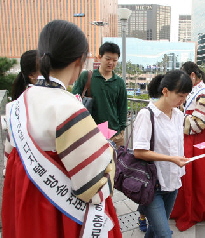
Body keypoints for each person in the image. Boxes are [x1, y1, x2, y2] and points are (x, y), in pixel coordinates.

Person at [2, 20, 121, 238]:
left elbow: (11, 161)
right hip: (58, 216)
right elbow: (93, 186)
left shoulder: (16, 105)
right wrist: (109, 150)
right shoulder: (69, 109)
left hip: (25, 207)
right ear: (79, 60)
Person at [133, 70, 192, 238]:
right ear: (165, 91)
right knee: (164, 234)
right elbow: (139, 151)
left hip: (172, 182)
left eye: (185, 96)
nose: (183, 100)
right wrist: (171, 159)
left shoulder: (179, 115)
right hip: (152, 185)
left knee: (155, 230)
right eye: (180, 96)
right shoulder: (147, 115)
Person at [170, 61, 205, 231]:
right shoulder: (197, 91)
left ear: (192, 76)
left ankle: (194, 210)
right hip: (192, 140)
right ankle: (188, 208)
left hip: (197, 142)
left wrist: (176, 118)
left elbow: (198, 124)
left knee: (196, 177)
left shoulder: (203, 93)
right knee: (190, 177)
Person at [72, 42, 127, 148]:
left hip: (114, 135)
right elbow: (74, 100)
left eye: (115, 60)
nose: (111, 63)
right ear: (99, 57)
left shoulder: (119, 82)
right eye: (108, 59)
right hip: (90, 133)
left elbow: (122, 108)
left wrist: (121, 130)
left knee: (115, 164)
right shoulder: (87, 76)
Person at [3, 50, 40, 176]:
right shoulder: (21, 105)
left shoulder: (15, 105)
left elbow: (9, 144)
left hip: (24, 168)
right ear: (32, 75)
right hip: (33, 169)